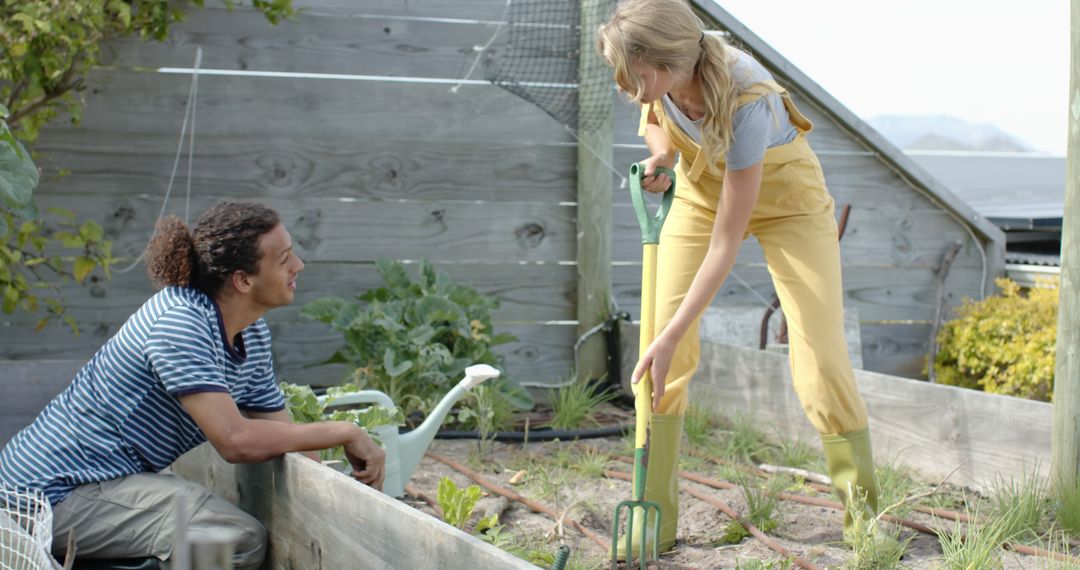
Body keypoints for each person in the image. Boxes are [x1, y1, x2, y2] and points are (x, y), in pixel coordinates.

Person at [598, 0, 878, 555]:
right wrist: (662, 160)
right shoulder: (662, 81)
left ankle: (865, 518)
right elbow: (657, 123)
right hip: (703, 195)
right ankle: (651, 519)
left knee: (819, 360)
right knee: (659, 357)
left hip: (787, 204)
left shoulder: (749, 98)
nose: (629, 89)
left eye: (636, 77)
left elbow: (727, 243)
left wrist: (679, 329)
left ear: (671, 60)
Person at [0, 202, 386, 569]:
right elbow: (234, 441)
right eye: (284, 259)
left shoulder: (251, 333)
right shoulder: (180, 323)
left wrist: (341, 504)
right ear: (243, 279)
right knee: (229, 538)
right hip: (47, 497)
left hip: (103, 481)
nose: (298, 265)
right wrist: (346, 430)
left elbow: (284, 434)